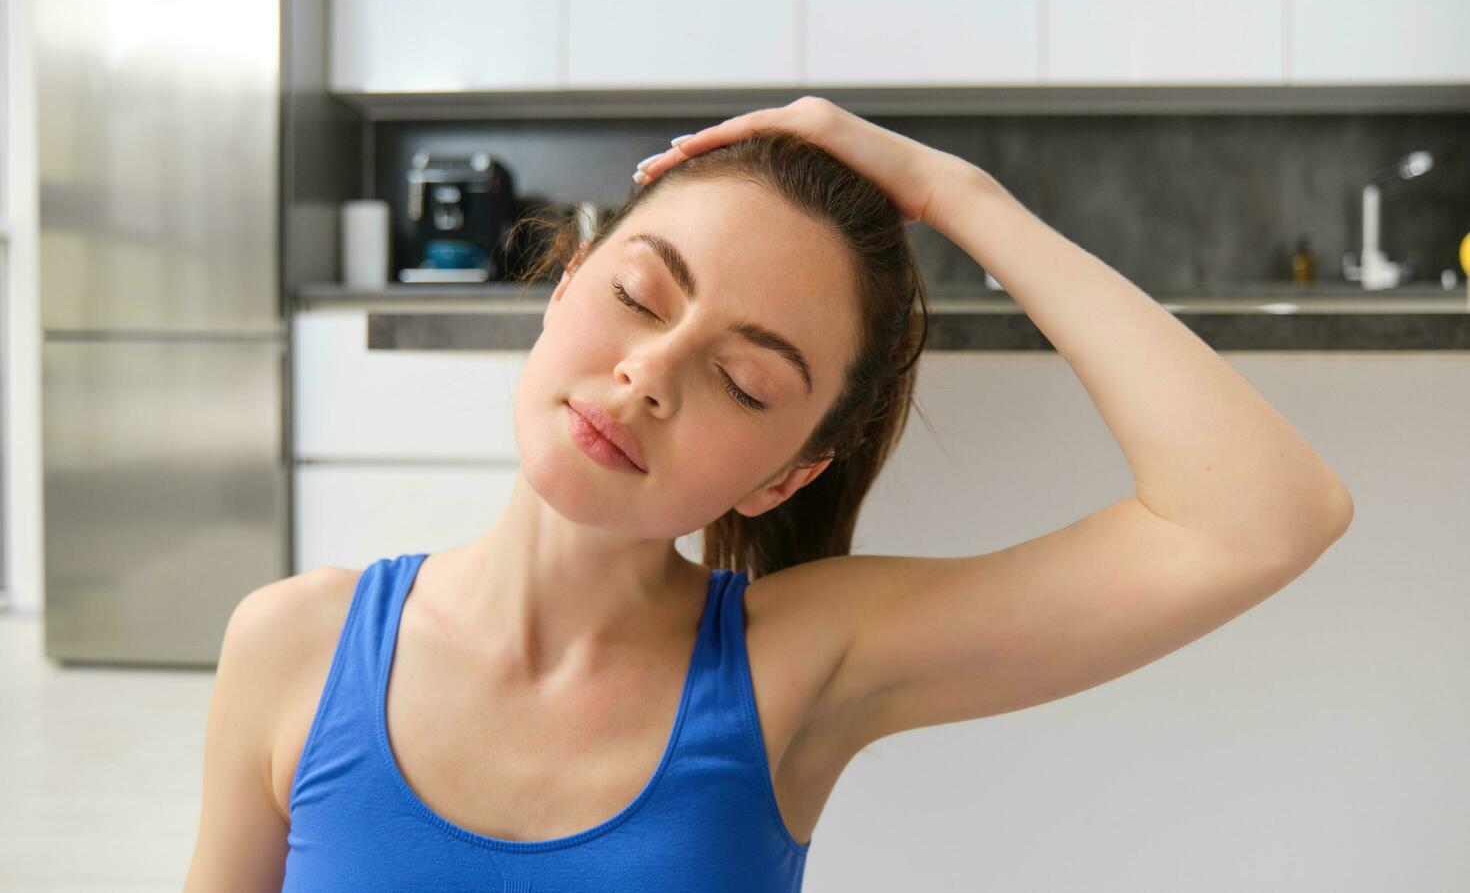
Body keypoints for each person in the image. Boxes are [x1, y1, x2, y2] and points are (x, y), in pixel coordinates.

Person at [185, 97, 1353, 891]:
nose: (649, 375)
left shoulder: (801, 663)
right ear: (567, 283)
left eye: (744, 379)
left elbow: (1262, 511)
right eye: (640, 296)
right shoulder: (293, 642)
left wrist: (960, 193)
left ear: (788, 472)